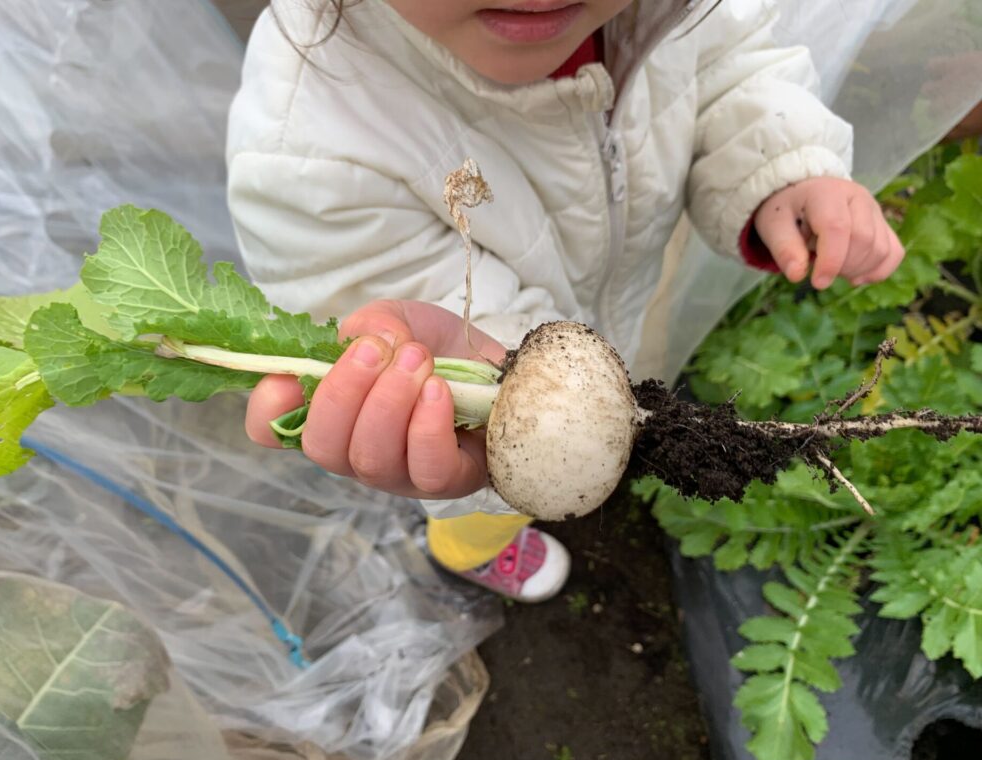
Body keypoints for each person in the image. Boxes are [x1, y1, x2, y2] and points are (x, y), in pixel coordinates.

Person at [225, 0, 904, 602]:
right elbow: (436, 352)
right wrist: (507, 419)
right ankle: (475, 553)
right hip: (492, 424)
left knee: (621, 399)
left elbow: (735, 66)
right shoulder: (313, 149)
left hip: (613, 308)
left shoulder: (678, 8)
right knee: (478, 502)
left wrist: (779, 165)